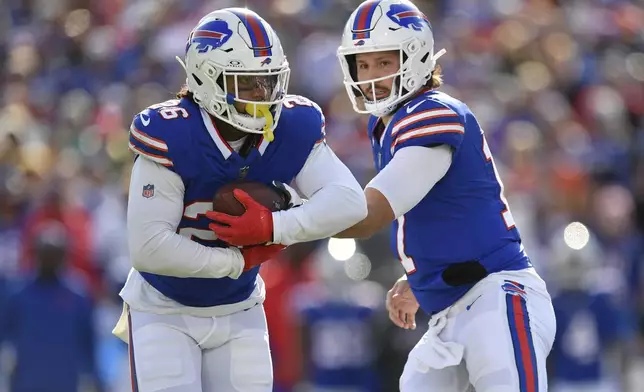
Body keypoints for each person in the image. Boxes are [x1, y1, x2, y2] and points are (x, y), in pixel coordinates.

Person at [115, 7, 367, 392]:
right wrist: (234, 260)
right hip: (162, 307)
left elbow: (350, 202)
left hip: (240, 307)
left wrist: (274, 226)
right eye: (247, 83)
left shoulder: (291, 126)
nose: (263, 95)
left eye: (268, 82)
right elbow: (149, 248)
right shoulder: (171, 133)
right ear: (206, 78)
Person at [331, 0, 556, 391]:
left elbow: (369, 215)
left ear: (415, 58)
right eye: (363, 65)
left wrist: (280, 220)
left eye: (384, 63)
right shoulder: (386, 124)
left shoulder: (432, 112)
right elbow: (447, 211)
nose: (371, 77)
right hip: (452, 309)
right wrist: (421, 277)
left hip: (496, 296)